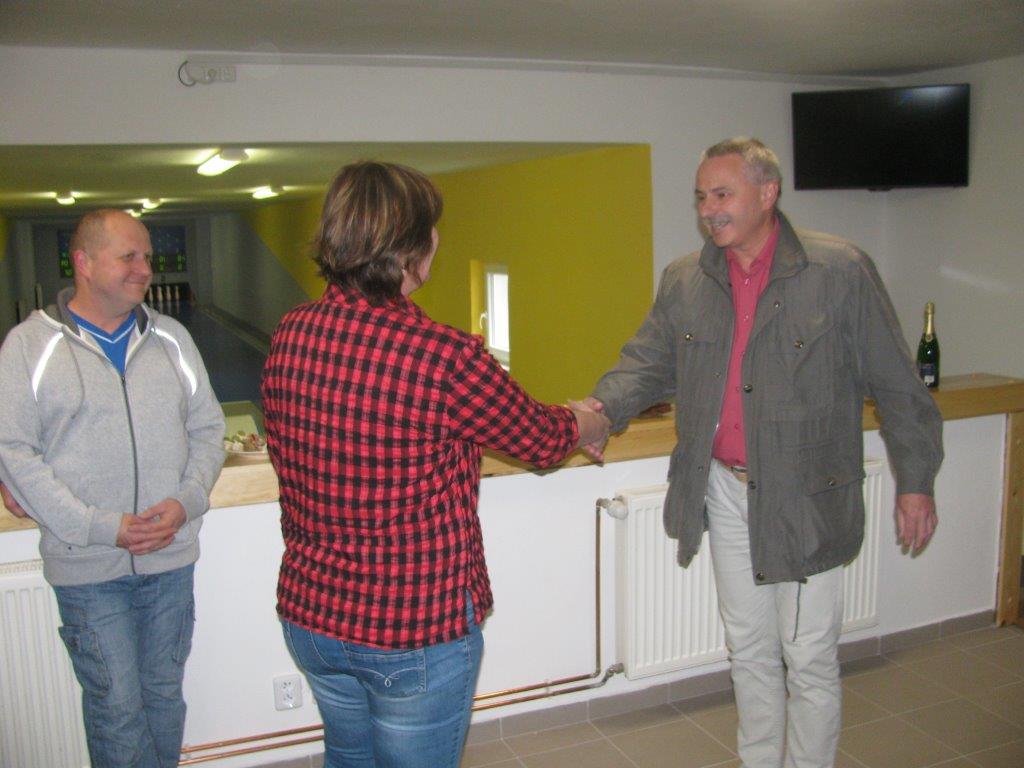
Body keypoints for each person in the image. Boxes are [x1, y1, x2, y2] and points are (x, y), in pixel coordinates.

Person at [581, 138, 943, 768]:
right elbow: (647, 363)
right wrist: (597, 411)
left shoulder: (839, 271)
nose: (708, 210)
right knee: (748, 650)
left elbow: (897, 384)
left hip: (807, 497)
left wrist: (916, 480)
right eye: (701, 197)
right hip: (723, 490)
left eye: (722, 194)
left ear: (768, 193)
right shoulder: (687, 279)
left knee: (808, 658)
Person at [260, 161, 609, 768]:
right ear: (411, 248)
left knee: (348, 758)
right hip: (410, 629)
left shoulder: (292, 332)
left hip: (312, 617)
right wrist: (591, 421)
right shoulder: (442, 356)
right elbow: (541, 438)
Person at [0, 209, 225, 768]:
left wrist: (186, 501)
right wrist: (101, 526)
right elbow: (14, 451)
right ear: (83, 261)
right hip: (87, 568)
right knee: (116, 708)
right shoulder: (29, 346)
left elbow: (208, 429)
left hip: (170, 560)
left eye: (147, 256)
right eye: (129, 256)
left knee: (164, 697)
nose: (144, 268)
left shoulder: (172, 338)